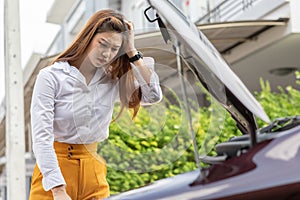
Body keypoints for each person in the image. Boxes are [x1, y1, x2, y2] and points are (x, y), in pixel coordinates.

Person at [29, 9, 162, 200]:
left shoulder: (112, 79)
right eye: (103, 44)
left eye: (114, 49)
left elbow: (153, 95)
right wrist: (58, 190)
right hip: (54, 173)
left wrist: (132, 51)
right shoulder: (52, 76)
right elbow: (41, 137)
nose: (107, 54)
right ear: (88, 37)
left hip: (94, 172)